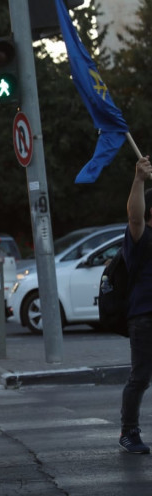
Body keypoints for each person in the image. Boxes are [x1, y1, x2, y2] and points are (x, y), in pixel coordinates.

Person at [120, 154, 152, 454]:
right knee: (140, 377)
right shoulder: (142, 237)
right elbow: (134, 216)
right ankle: (129, 432)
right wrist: (139, 179)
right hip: (145, 317)